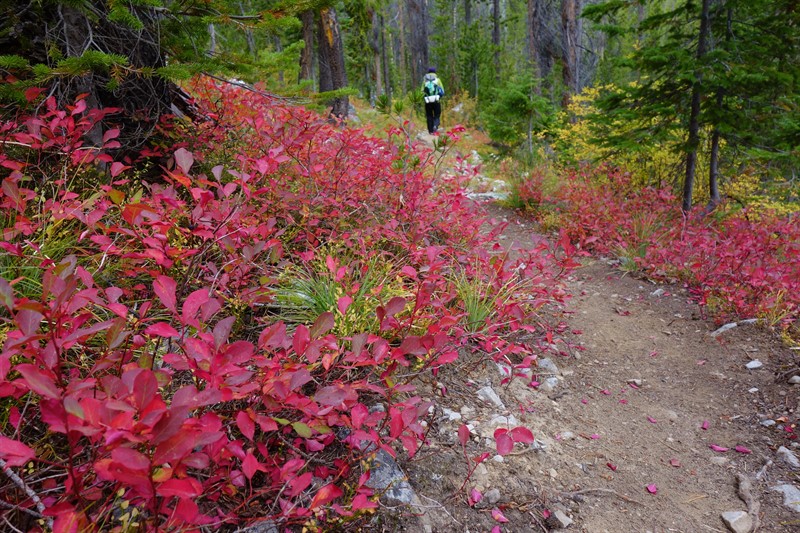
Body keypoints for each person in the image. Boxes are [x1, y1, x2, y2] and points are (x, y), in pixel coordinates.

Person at [422, 67, 445, 134]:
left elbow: (421, 91)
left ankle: (430, 131)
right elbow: (442, 91)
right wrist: (440, 96)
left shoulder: (425, 81)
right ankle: (435, 125)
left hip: (427, 101)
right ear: (435, 73)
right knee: (437, 115)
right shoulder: (438, 80)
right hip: (436, 100)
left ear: (428, 73)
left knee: (429, 115)